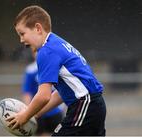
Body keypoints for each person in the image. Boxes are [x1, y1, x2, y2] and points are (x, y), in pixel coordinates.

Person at [7, 5, 106, 136]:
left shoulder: (47, 51)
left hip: (84, 105)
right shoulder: (56, 43)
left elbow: (44, 96)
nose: (21, 40)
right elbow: (60, 94)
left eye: (22, 33)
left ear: (37, 28)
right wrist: (35, 114)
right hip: (94, 106)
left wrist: (25, 116)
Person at [21, 47, 63, 135]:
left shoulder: (55, 67)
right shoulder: (31, 70)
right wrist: (28, 109)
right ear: (33, 54)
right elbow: (27, 91)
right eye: (36, 52)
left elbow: (62, 90)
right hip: (38, 111)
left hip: (55, 110)